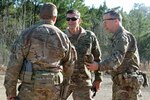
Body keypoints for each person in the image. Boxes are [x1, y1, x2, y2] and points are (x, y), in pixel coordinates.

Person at [4, 2, 76, 100]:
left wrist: (10, 92)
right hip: (54, 90)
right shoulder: (63, 37)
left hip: (30, 90)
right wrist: (63, 91)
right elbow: (69, 66)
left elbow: (14, 65)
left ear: (40, 17)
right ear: (55, 18)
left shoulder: (27, 34)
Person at [86, 10, 144, 100]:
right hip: (122, 83)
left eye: (106, 21)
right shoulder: (117, 36)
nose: (104, 24)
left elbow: (117, 59)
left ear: (116, 21)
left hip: (127, 86)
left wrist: (99, 66)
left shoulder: (122, 37)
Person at [64, 9, 102, 100]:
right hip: (64, 81)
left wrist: (98, 79)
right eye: (68, 19)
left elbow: (97, 58)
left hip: (83, 82)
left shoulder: (89, 36)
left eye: (73, 19)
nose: (70, 21)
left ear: (79, 20)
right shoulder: (62, 36)